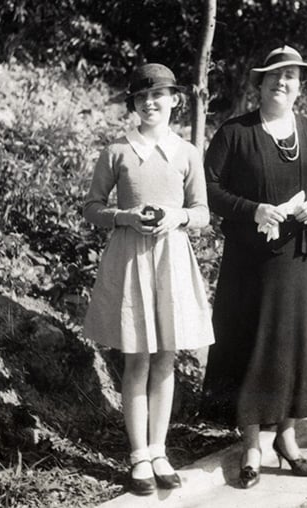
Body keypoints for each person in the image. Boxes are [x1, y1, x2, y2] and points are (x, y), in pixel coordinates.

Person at [201, 45, 307, 488]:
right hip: (252, 265)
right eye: (274, 76)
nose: (281, 83)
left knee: (295, 351)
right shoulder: (235, 133)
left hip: (304, 263)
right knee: (254, 347)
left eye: (291, 77)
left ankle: (287, 439)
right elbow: (208, 188)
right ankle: (252, 445)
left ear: (300, 85)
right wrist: (252, 209)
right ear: (260, 83)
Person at [82, 63, 214, 496]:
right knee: (137, 357)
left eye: (159, 96)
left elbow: (202, 213)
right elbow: (93, 207)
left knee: (165, 357)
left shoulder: (187, 152)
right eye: (142, 98)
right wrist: (124, 217)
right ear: (134, 105)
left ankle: (160, 449)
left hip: (172, 259)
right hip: (130, 258)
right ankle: (138, 453)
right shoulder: (118, 151)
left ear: (176, 100)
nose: (150, 103)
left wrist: (176, 217)